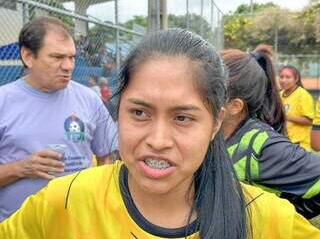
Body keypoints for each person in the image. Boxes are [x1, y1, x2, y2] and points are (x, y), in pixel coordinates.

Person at [1, 29, 319, 239]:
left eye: (182, 117)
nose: (157, 139)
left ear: (215, 123)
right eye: (139, 113)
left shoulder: (267, 220)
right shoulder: (63, 201)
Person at [0, 16, 118, 222]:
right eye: (57, 57)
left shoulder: (90, 99)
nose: (68, 66)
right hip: (17, 228)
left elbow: (107, 159)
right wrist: (21, 168)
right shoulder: (3, 101)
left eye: (72, 57)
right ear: (27, 56)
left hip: (77, 225)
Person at [221, 45, 320, 219]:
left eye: (205, 91)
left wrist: (280, 217)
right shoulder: (209, 133)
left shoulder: (259, 145)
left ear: (235, 106)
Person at [279, 65, 314, 151]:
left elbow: (309, 121)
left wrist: (286, 116)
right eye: (281, 77)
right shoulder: (280, 94)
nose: (284, 80)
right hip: (283, 143)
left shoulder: (303, 96)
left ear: (296, 78)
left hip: (299, 146)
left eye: (288, 77)